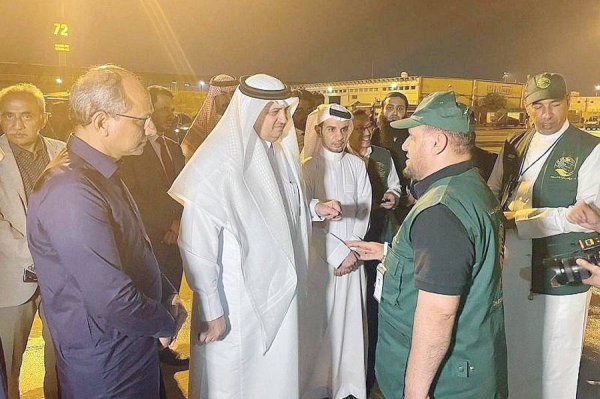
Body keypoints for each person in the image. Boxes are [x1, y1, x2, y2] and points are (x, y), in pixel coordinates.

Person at [168, 74, 342, 399]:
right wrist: (212, 308)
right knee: (237, 381)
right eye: (271, 112)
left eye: (284, 111)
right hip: (237, 305)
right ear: (248, 111)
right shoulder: (217, 165)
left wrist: (316, 209)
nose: (281, 120)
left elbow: (284, 206)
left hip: (281, 294)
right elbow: (196, 247)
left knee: (276, 379)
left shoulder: (279, 154)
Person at [26, 65, 185, 399]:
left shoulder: (101, 173)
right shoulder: (71, 189)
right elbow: (110, 297)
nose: (151, 128)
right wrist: (164, 321)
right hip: (106, 363)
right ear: (102, 122)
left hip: (129, 348)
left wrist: (166, 293)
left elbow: (133, 247)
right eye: (141, 119)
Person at [348, 91, 507, 399]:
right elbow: (459, 263)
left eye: (413, 137)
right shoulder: (470, 185)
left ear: (438, 142)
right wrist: (390, 255)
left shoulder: (440, 209)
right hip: (472, 366)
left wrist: (415, 393)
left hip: (448, 381)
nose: (405, 145)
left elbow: (439, 313)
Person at [487, 72, 600, 399]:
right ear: (527, 106)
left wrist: (518, 220)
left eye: (555, 104)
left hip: (564, 267)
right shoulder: (515, 144)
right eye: (538, 105)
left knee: (556, 359)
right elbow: (494, 193)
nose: (547, 114)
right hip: (513, 264)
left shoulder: (589, 148)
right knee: (518, 349)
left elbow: (585, 219)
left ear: (568, 104)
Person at [300, 104, 371, 399]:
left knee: (352, 323)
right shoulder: (308, 167)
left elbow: (364, 210)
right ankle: (318, 386)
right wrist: (336, 254)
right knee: (320, 326)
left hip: (354, 261)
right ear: (319, 131)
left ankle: (349, 385)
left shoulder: (357, 166)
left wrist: (352, 251)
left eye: (344, 130)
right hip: (322, 263)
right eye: (331, 129)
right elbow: (305, 216)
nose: (339, 136)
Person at [0, 83, 61, 399]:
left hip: (62, 277)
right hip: (11, 279)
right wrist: (34, 255)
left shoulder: (64, 152)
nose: (16, 124)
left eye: (26, 116)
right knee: (7, 365)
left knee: (61, 359)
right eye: (8, 116)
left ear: (43, 118)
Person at [120, 85, 188, 367]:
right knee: (148, 295)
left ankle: (163, 350)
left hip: (176, 237)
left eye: (171, 110)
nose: (170, 115)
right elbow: (135, 197)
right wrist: (166, 224)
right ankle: (147, 355)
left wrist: (179, 221)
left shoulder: (173, 147)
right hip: (149, 237)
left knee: (169, 295)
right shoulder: (132, 151)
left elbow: (185, 189)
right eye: (163, 110)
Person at [347, 108, 402, 394]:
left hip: (381, 235)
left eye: (369, 127)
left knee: (376, 302)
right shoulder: (341, 159)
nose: (366, 133)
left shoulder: (383, 155)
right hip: (353, 244)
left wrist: (392, 195)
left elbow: (394, 184)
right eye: (360, 128)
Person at [371, 92, 412, 221]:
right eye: (389, 108)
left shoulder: (412, 135)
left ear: (405, 111)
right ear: (382, 110)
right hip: (381, 199)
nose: (394, 113)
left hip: (407, 200)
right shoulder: (375, 135)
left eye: (400, 108)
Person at [181, 74, 237, 160]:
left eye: (232, 94)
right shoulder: (202, 124)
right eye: (223, 94)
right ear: (214, 96)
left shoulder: (239, 123)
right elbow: (189, 154)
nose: (228, 99)